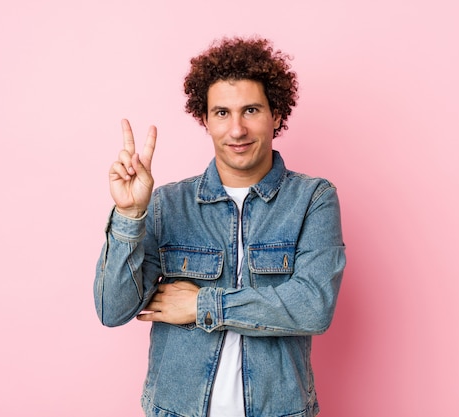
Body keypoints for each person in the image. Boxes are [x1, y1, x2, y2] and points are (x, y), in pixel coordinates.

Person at [94, 36, 346, 417]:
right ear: (206, 120)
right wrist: (129, 216)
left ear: (276, 115)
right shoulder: (166, 204)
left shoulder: (312, 199)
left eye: (251, 110)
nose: (237, 130)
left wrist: (201, 304)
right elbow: (112, 310)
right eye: (222, 113)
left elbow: (313, 307)